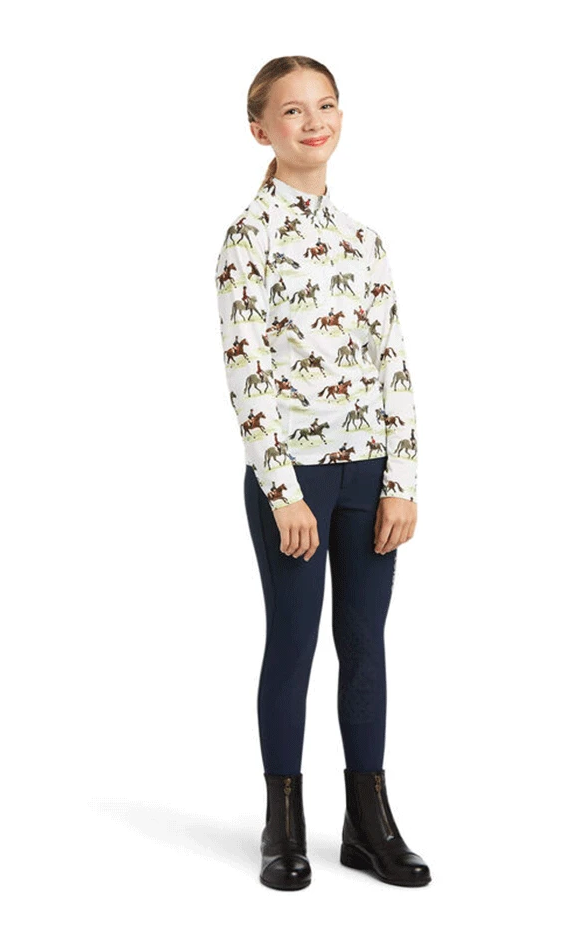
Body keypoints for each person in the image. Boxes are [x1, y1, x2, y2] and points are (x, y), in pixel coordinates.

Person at [214, 56, 430, 890]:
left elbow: (392, 363)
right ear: (260, 129)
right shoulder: (248, 239)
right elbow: (249, 372)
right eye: (293, 110)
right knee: (294, 642)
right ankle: (283, 821)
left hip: (369, 473)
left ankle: (369, 822)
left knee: (365, 643)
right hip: (295, 482)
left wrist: (401, 479)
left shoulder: (364, 241)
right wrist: (282, 491)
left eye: (327, 105)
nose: (314, 122)